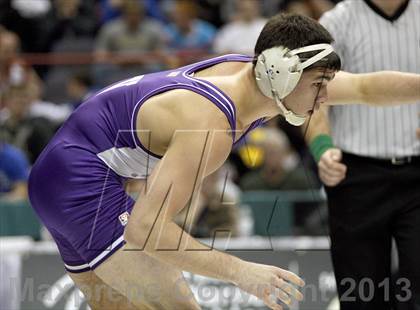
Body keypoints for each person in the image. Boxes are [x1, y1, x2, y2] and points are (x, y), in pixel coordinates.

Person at [28, 13, 420, 309]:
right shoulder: (210, 125)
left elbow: (368, 88)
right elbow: (145, 231)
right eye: (318, 86)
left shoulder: (249, 76)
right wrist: (243, 273)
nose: (324, 100)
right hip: (81, 181)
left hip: (62, 175)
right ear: (282, 74)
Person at [305, 0, 420, 309]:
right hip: (356, 175)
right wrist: (322, 148)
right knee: (361, 295)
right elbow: (309, 94)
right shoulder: (337, 21)